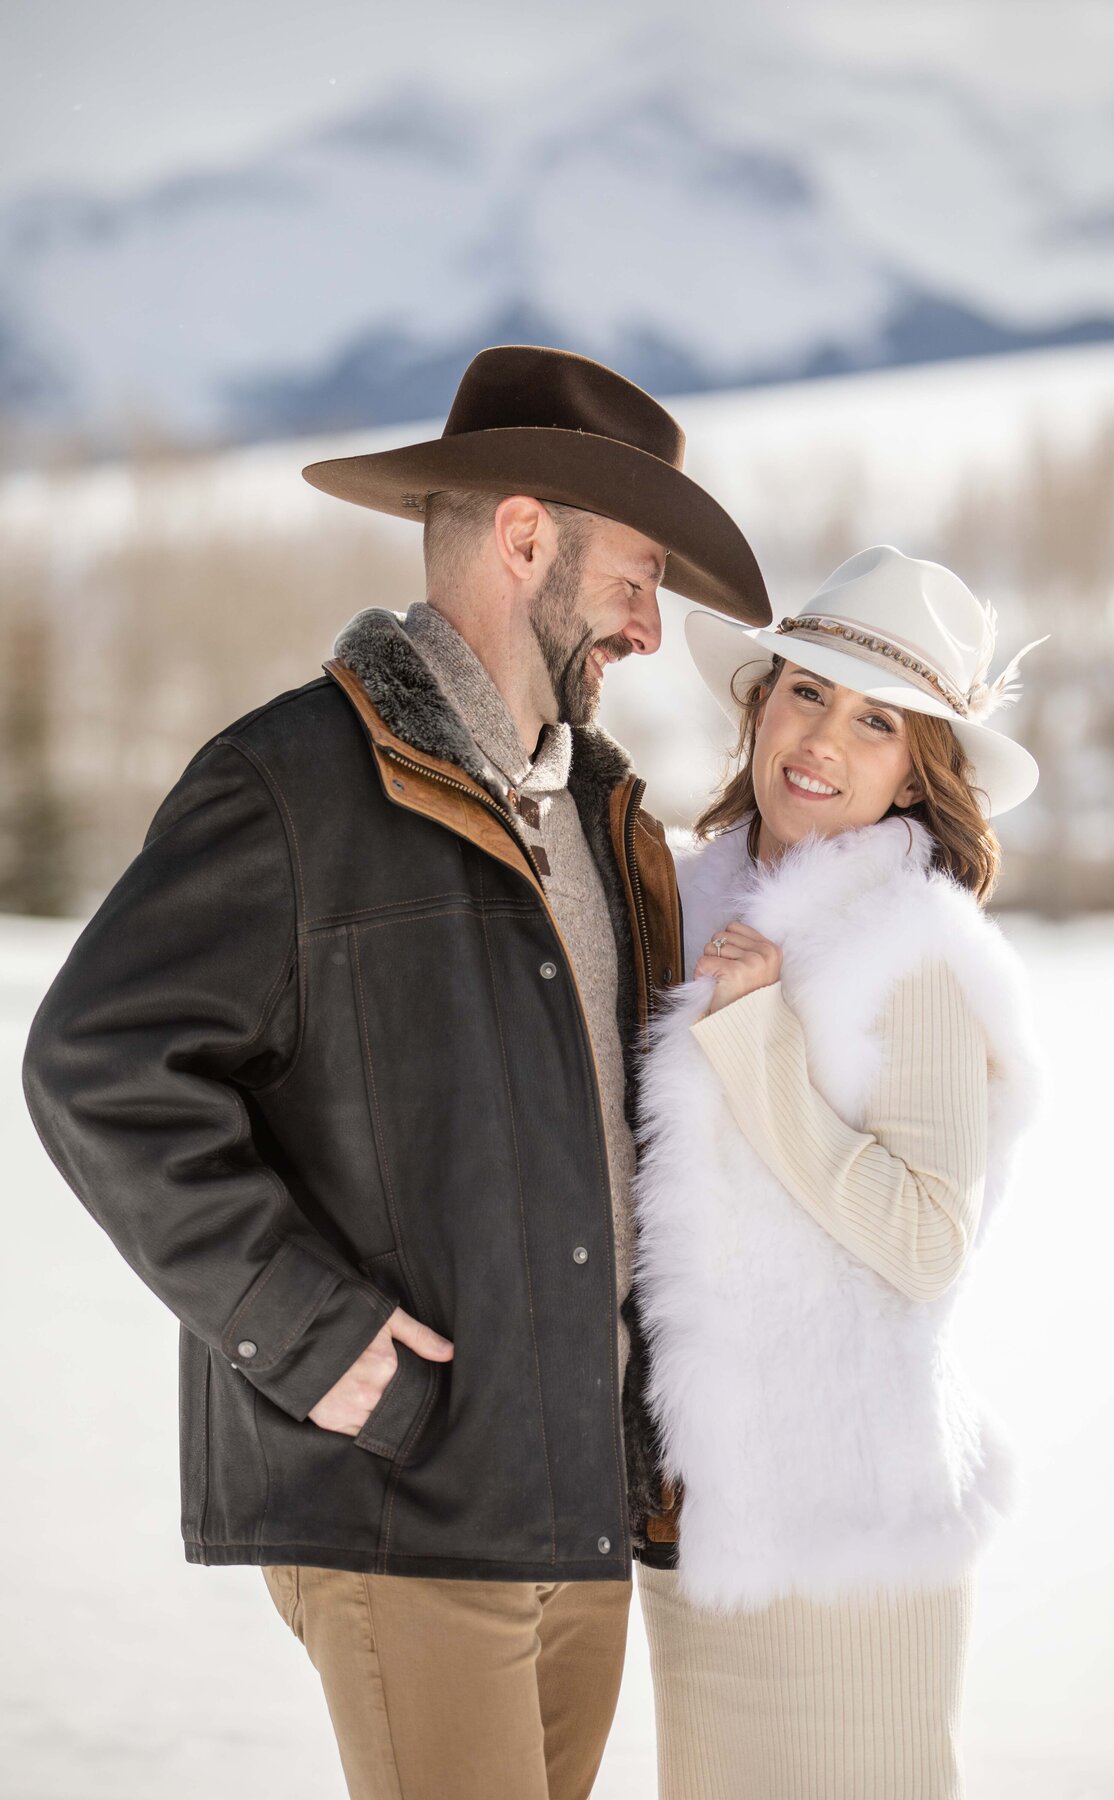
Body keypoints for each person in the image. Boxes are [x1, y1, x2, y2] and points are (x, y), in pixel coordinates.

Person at [20, 344, 769, 1800]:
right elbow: (96, 1064)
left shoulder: (600, 814)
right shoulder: (290, 783)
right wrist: (310, 1336)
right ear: (526, 535)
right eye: (637, 577)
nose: (651, 631)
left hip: (575, 1508)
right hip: (406, 1501)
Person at [630, 545, 1050, 1800]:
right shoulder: (685, 904)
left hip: (849, 1535)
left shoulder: (911, 950)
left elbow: (927, 1242)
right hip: (694, 1526)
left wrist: (756, 1045)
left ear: (920, 771)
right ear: (759, 702)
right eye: (807, 691)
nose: (823, 739)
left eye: (878, 723)